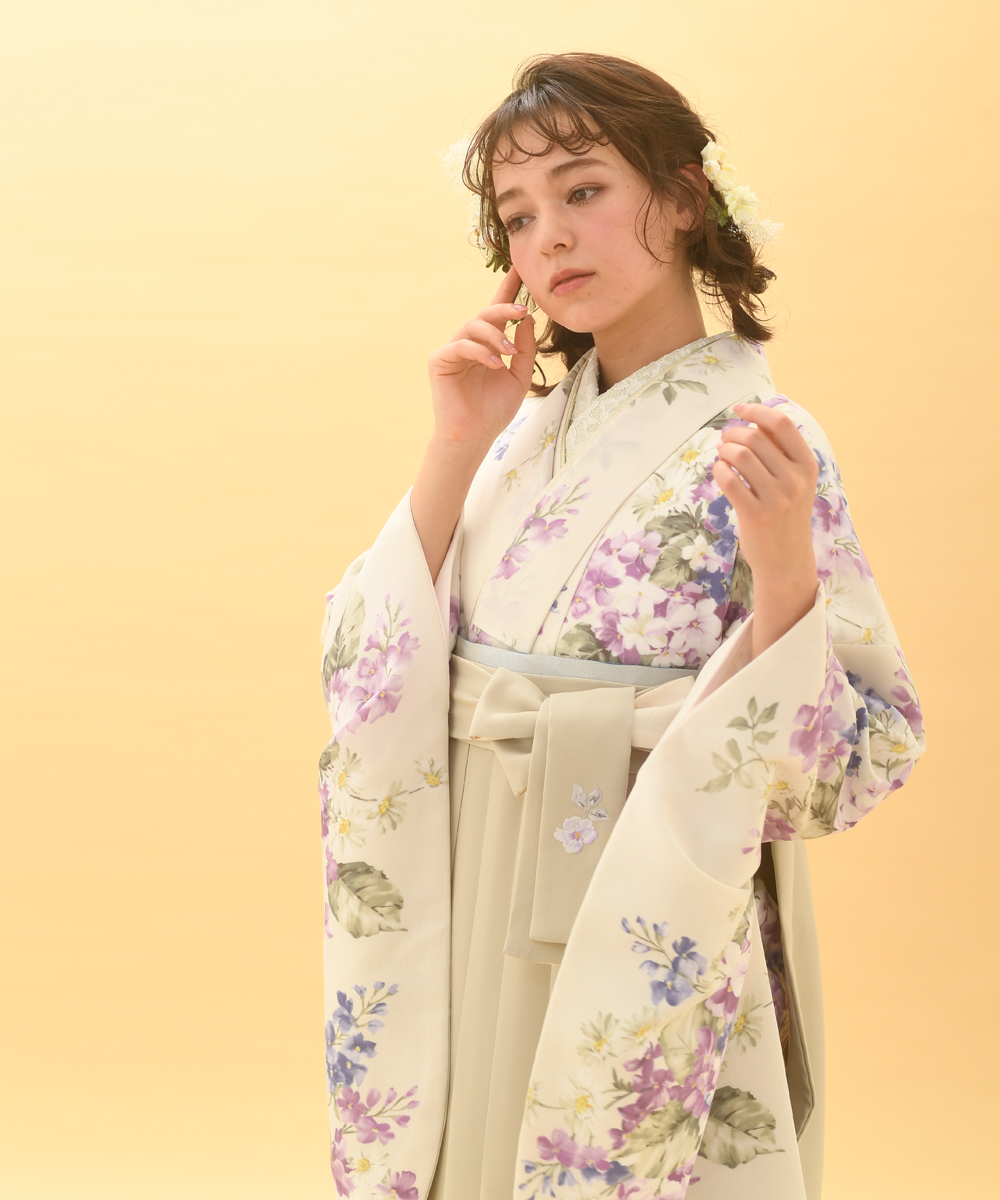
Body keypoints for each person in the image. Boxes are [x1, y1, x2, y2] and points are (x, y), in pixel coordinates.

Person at [319, 53, 923, 1200]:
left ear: (686, 198)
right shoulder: (516, 435)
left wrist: (783, 564)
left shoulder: (766, 439)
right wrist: (454, 442)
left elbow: (856, 755)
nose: (548, 237)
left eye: (583, 191)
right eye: (517, 216)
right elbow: (369, 664)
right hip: (478, 862)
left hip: (645, 873)